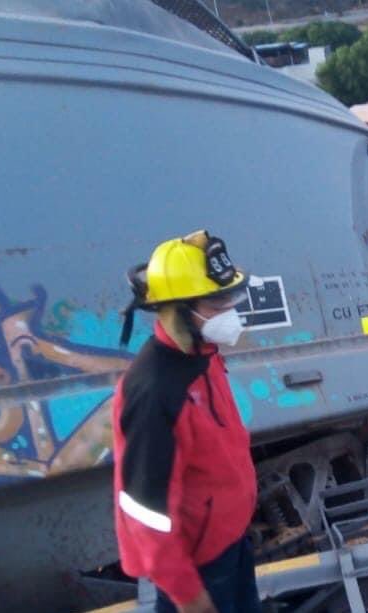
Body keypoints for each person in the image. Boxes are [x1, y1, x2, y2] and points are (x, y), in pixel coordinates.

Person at [113, 230, 260, 613]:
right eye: (217, 301)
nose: (229, 309)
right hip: (199, 572)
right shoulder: (154, 391)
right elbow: (145, 515)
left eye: (230, 296)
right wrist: (190, 599)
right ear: (178, 310)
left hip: (231, 547)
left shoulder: (204, 354)